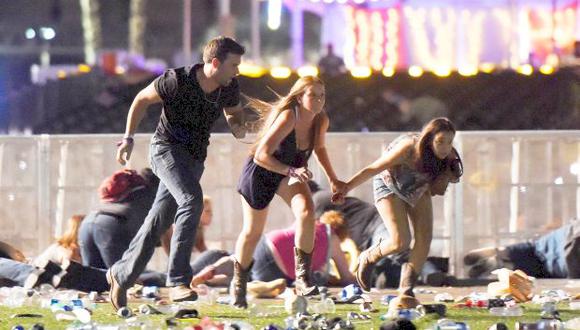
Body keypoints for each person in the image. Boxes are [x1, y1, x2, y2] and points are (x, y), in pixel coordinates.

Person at [109, 36, 247, 310]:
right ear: (215, 63)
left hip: (194, 160)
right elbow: (140, 100)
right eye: (233, 65)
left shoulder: (228, 86)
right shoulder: (176, 80)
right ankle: (178, 281)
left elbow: (234, 115)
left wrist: (240, 125)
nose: (238, 71)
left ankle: (121, 274)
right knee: (192, 200)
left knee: (158, 222)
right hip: (165, 150)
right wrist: (128, 138)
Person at [232, 76, 346, 308]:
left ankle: (302, 278)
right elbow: (261, 155)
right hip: (262, 171)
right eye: (312, 95)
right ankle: (238, 285)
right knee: (253, 232)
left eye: (321, 95)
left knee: (306, 212)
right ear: (300, 97)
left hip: (289, 173)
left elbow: (320, 148)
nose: (317, 100)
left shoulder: (320, 120)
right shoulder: (288, 117)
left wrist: (334, 179)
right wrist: (290, 170)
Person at [334, 117, 462, 309]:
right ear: (429, 139)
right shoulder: (409, 147)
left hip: (417, 188)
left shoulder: (449, 157)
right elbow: (373, 168)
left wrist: (445, 175)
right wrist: (345, 187)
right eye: (440, 141)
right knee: (400, 241)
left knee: (424, 238)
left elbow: (438, 190)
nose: (445, 147)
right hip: (389, 185)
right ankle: (368, 258)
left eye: (449, 142)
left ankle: (407, 288)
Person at [189, 211, 355, 290]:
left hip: (269, 243)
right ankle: (213, 282)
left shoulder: (309, 222)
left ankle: (213, 270)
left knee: (240, 261)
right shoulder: (332, 238)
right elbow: (346, 277)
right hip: (278, 270)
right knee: (249, 280)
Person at [79, 168, 166, 269]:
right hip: (112, 225)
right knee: (125, 278)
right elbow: (167, 235)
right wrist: (176, 273)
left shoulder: (132, 188)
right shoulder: (156, 195)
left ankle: (70, 276)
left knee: (93, 279)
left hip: (88, 222)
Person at [464, 218, 580, 279]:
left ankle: (497, 253)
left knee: (532, 250)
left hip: (549, 248)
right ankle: (499, 263)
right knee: (531, 268)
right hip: (558, 264)